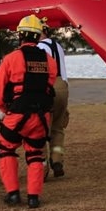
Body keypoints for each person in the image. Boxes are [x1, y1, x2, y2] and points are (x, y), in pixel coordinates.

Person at [0, 15, 57, 209]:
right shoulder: (48, 60)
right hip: (41, 116)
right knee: (35, 154)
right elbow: (50, 85)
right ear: (38, 37)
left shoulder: (11, 59)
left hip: (17, 114)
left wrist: (4, 109)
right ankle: (33, 197)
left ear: (20, 35)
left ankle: (12, 193)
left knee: (6, 149)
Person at [36, 18, 69, 178]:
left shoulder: (40, 47)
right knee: (58, 127)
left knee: (41, 128)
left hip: (48, 87)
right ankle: (57, 160)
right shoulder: (58, 46)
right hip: (63, 86)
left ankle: (42, 168)